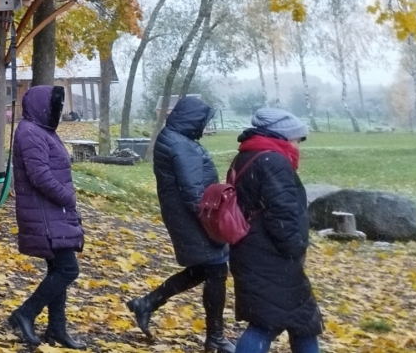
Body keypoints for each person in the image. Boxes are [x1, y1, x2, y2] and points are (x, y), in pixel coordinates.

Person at [126, 96, 234, 351]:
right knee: (216, 270)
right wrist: (213, 224)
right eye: (202, 122)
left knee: (202, 270)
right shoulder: (180, 145)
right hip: (194, 218)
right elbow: (194, 191)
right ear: (192, 120)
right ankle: (215, 338)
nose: (204, 127)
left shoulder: (174, 138)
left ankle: (147, 303)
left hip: (183, 215)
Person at [227, 109, 322, 353]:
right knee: (269, 324)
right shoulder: (273, 161)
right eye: (295, 139)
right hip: (272, 256)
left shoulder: (248, 154)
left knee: (291, 321)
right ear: (282, 135)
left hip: (252, 250)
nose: (297, 145)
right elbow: (282, 212)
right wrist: (296, 248)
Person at [5, 85, 86, 350]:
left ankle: (57, 329)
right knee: (67, 269)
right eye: (55, 105)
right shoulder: (30, 131)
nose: (58, 111)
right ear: (42, 105)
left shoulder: (43, 131)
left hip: (54, 214)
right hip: (45, 213)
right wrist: (68, 198)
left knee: (57, 270)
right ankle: (26, 313)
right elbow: (39, 174)